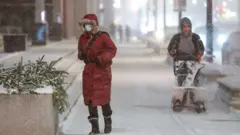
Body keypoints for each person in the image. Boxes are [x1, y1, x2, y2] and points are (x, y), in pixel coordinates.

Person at [78, 14, 117, 135]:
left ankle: (108, 122)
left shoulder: (103, 37)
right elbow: (80, 50)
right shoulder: (82, 38)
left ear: (94, 24)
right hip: (89, 71)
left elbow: (112, 49)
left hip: (102, 71)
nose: (86, 27)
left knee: (103, 99)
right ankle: (94, 128)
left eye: (88, 25)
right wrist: (81, 55)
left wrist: (102, 58)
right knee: (90, 100)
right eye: (84, 25)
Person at [167, 17, 205, 85]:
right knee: (181, 80)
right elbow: (170, 48)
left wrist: (199, 55)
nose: (186, 29)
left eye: (188, 27)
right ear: (181, 28)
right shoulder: (176, 37)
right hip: (180, 61)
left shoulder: (195, 37)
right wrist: (174, 54)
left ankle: (194, 90)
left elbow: (201, 48)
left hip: (193, 61)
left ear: (190, 27)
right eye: (184, 27)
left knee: (194, 79)